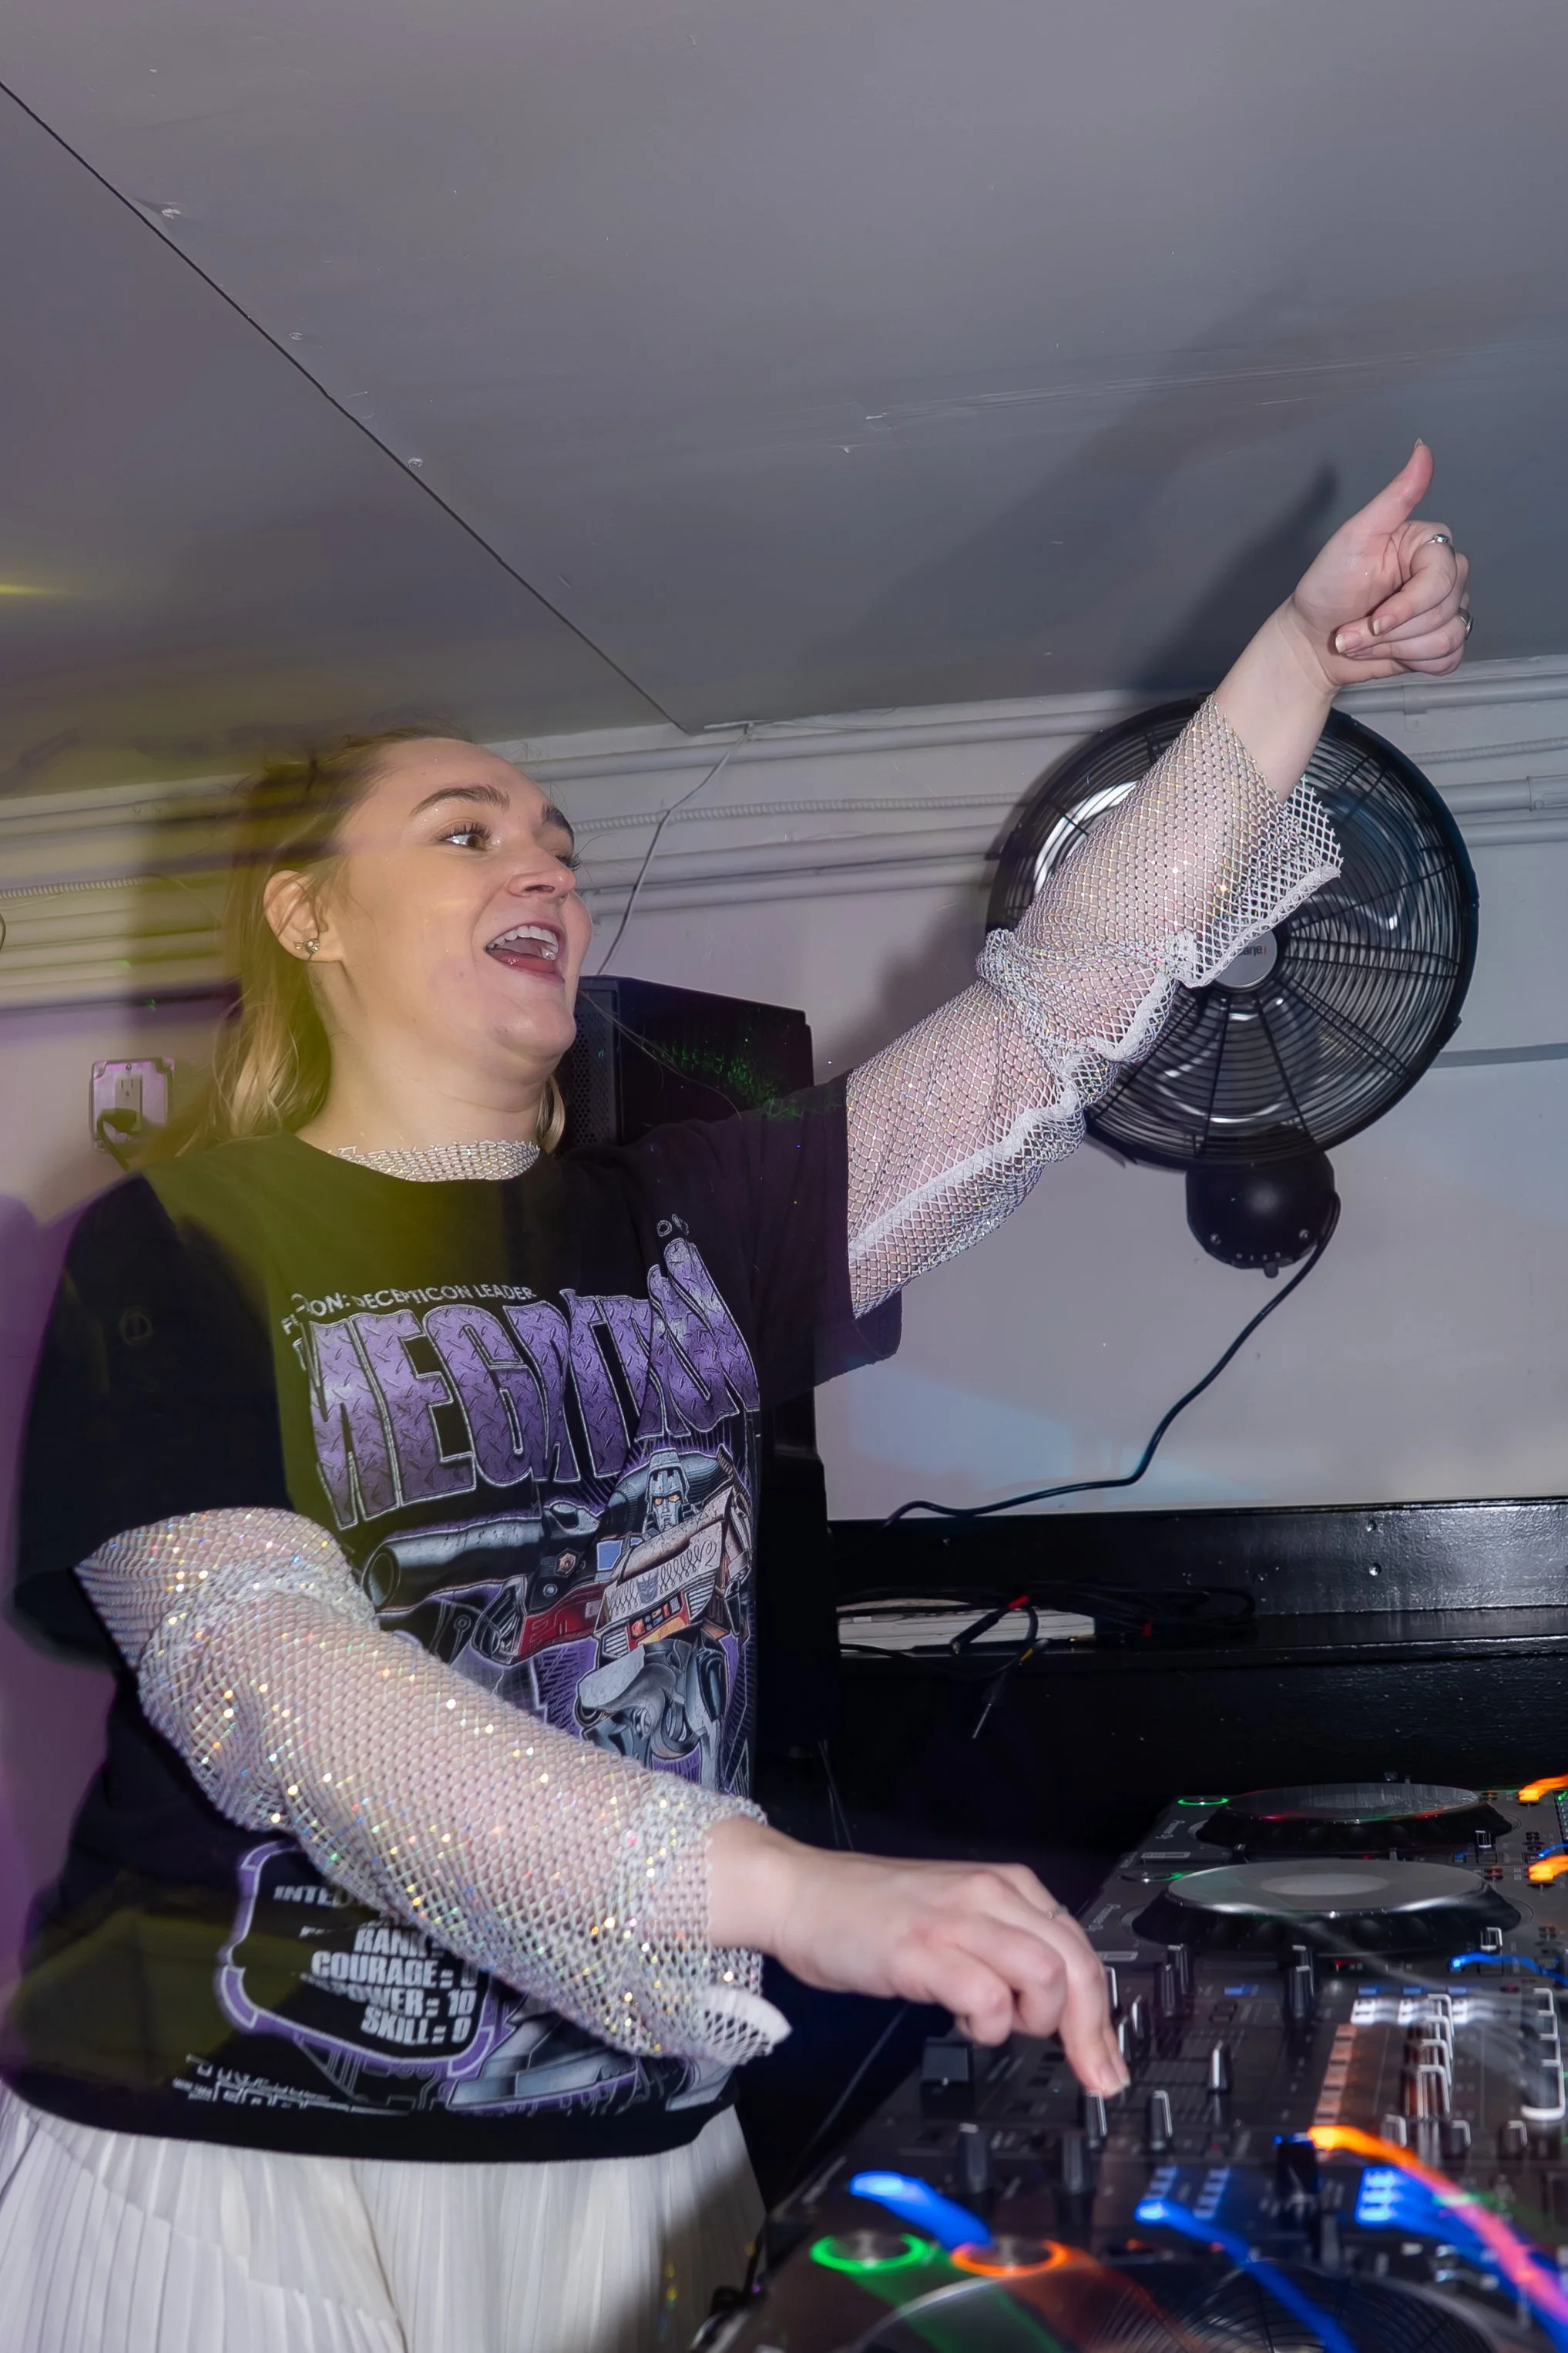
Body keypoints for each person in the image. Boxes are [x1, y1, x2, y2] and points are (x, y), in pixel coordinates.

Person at [0, 448, 1468, 2351]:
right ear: (306, 917)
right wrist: (785, 1887)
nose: (542, 859)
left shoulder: (703, 1205)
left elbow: (1060, 1016)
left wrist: (1294, 657)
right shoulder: (178, 1237)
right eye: (463, 831)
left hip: (624, 2149)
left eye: (554, 838)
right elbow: (261, 1681)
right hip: (226, 2139)